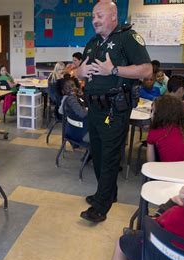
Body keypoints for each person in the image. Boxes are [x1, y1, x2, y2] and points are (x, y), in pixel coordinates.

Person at [76, 1, 153, 222]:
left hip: (115, 109)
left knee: (109, 156)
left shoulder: (127, 38)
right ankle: (108, 194)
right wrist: (80, 71)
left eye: (100, 15)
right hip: (94, 107)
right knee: (98, 155)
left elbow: (147, 70)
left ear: (113, 16)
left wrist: (114, 70)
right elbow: (80, 72)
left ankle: (101, 207)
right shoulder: (91, 43)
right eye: (93, 17)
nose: (95, 20)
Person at [61, 76, 90, 143]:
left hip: (71, 131)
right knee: (106, 126)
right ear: (63, 91)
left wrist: (81, 95)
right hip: (80, 134)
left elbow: (85, 104)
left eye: (73, 86)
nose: (71, 89)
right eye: (67, 88)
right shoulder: (71, 99)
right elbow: (83, 114)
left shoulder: (75, 98)